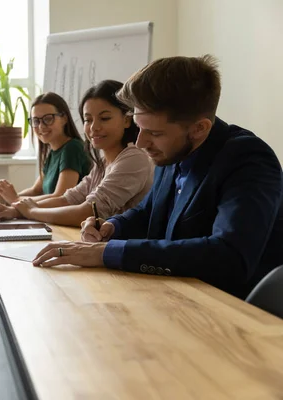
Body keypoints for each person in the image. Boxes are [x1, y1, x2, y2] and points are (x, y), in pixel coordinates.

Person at [33, 55, 283, 299]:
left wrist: (106, 253)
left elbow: (228, 256)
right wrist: (113, 228)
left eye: (153, 132)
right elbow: (147, 211)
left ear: (199, 128)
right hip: (177, 295)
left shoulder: (248, 159)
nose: (141, 142)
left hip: (234, 312)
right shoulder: (172, 151)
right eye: (140, 128)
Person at [0, 80, 153, 227]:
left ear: (126, 119)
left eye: (105, 118)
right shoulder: (102, 164)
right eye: (88, 120)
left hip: (124, 252)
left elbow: (88, 211)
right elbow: (69, 198)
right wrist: (14, 210)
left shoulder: (134, 158)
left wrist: (30, 211)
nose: (94, 127)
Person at [0, 92, 91, 205]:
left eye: (48, 119)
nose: (41, 126)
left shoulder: (72, 148)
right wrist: (6, 196)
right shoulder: (53, 152)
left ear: (64, 119)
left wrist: (15, 201)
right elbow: (36, 191)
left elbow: (61, 196)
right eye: (36, 121)